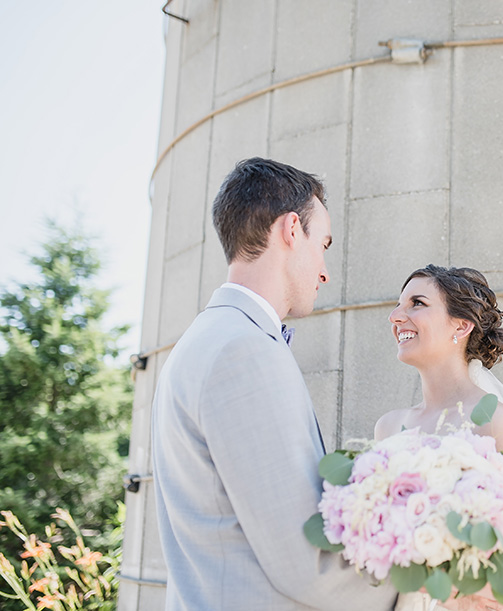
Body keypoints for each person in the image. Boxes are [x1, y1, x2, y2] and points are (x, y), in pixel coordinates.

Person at [152, 158, 397, 611]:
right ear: (290, 230)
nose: (324, 271)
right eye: (322, 245)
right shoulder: (241, 351)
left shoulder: (207, 341)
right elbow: (308, 563)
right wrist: (427, 585)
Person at [375, 265, 503, 611]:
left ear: (461, 325)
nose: (396, 316)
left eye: (417, 303)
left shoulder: (495, 423)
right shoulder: (388, 428)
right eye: (398, 305)